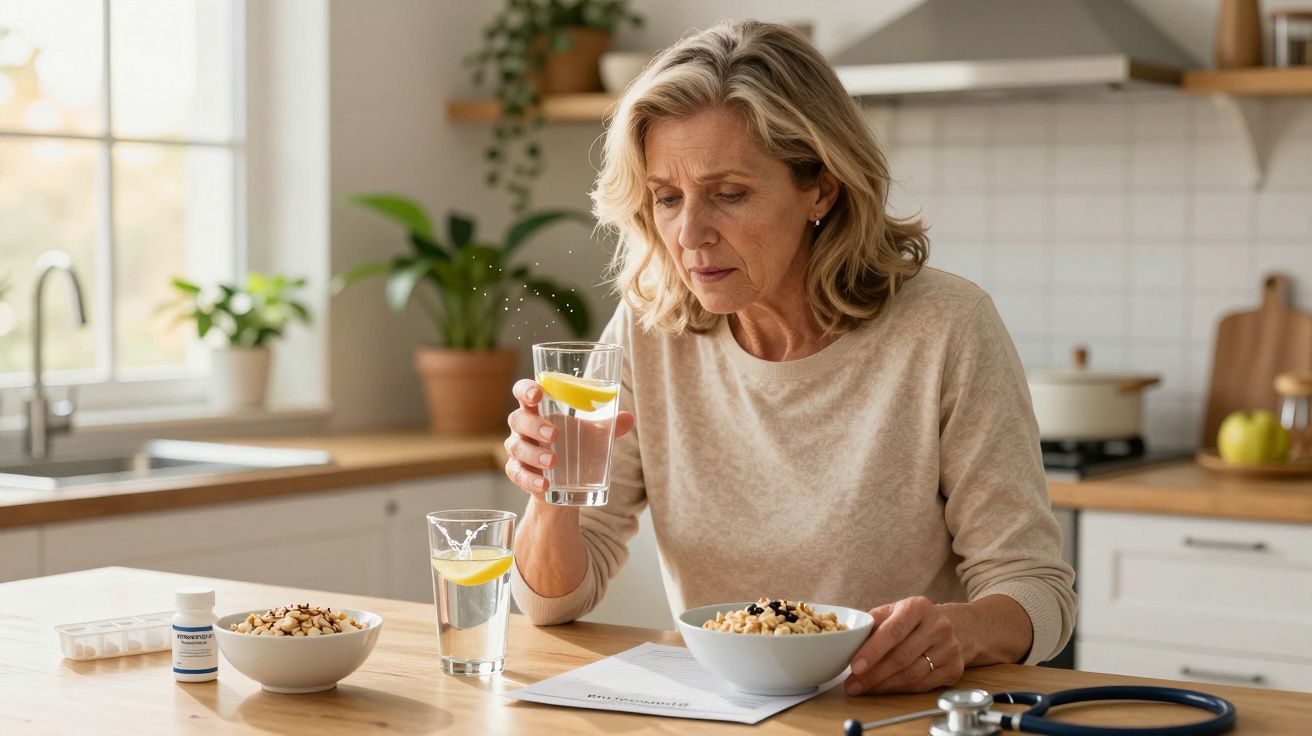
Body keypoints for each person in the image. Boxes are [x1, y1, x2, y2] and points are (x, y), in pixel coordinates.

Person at [502, 19, 1075, 695]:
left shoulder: (946, 328)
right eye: (666, 198)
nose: (689, 235)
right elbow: (550, 602)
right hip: (725, 711)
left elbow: (1036, 590)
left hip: (888, 711)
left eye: (730, 194)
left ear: (821, 189)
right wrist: (550, 497)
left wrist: (962, 631)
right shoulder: (651, 328)